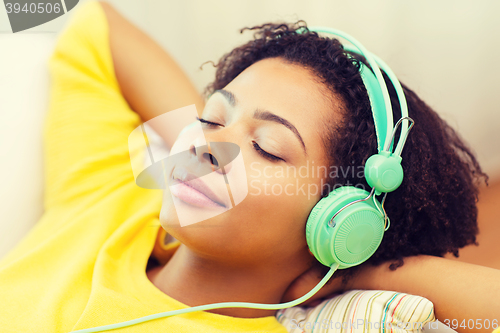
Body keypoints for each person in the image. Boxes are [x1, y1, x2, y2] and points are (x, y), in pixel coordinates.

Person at [0, 1, 498, 332]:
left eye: (268, 147)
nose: (211, 146)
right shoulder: (111, 197)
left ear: (337, 217)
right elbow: (94, 20)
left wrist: (351, 270)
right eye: (211, 115)